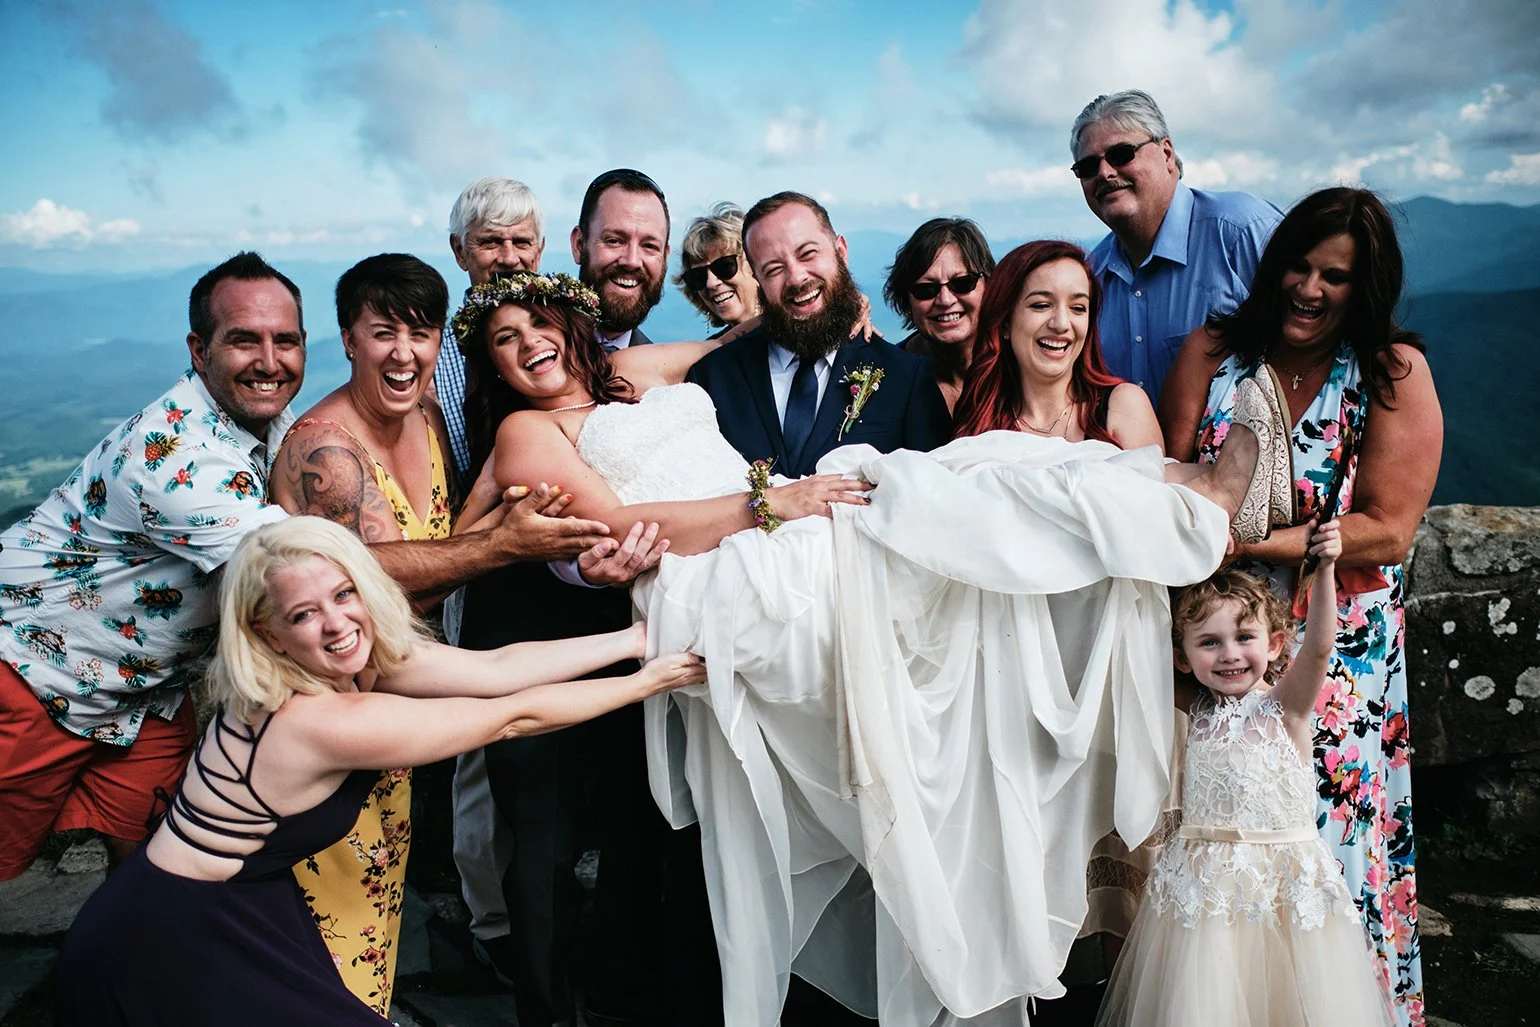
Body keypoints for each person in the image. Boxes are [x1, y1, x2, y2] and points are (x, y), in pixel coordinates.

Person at [452, 264, 1294, 1027]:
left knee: (978, 460)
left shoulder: (632, 375)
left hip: (774, 515)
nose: (530, 345)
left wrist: (839, 304)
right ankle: (1193, 509)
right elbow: (633, 526)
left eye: (541, 325)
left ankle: (1191, 490)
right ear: (490, 362)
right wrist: (777, 506)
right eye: (505, 338)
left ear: (571, 324)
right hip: (726, 566)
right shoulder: (527, 431)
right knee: (929, 492)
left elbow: (730, 335)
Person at [54, 515, 704, 1026]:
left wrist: (631, 641)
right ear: (269, 633)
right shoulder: (316, 720)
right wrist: (646, 682)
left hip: (242, 902)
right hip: (169, 934)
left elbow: (497, 669)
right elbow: (511, 716)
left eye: (344, 594)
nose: (336, 623)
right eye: (304, 614)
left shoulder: (345, 661)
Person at [1161, 187, 1440, 1027]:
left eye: (1336, 276)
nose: (1310, 289)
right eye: (1299, 265)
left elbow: (1388, 529)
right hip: (1221, 643)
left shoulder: (1391, 373)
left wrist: (1248, 541)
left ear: (1368, 287)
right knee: (1225, 849)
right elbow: (1165, 481)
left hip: (1335, 650)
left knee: (1327, 847)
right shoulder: (1213, 351)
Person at [0, 252, 303, 884]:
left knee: (160, 867)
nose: (270, 362)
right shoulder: (175, 455)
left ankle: (127, 979)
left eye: (286, 341)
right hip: (31, 674)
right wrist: (496, 545)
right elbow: (303, 571)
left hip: (145, 695)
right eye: (244, 340)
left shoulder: (271, 420)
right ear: (199, 350)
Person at [1096, 528, 1395, 1027]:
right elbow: (1130, 647)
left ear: (1276, 644)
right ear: (1182, 658)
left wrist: (1323, 572)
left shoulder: (1286, 711)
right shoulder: (1195, 707)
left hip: (1281, 880)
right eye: (1209, 643)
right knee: (1208, 996)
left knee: (1286, 994)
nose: (1229, 653)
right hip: (1207, 882)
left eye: (1244, 637)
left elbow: (1320, 649)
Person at [687, 191, 953, 479]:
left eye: (808, 254)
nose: (797, 277)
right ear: (758, 281)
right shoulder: (711, 379)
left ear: (841, 252)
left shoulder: (908, 379)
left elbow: (930, 500)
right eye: (774, 268)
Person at [1071, 89, 1281, 404]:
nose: (1104, 172)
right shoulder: (1089, 277)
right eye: (1088, 167)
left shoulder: (1242, 231)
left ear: (1167, 153)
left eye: (1122, 154)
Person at [882, 217, 996, 413]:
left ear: (989, 284)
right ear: (906, 299)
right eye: (926, 289)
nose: (945, 300)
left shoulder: (1019, 367)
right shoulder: (887, 378)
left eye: (963, 283)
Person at [673, 201, 762, 336]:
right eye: (698, 276)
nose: (711, 283)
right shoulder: (711, 354)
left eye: (724, 267)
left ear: (755, 265)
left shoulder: (795, 337)